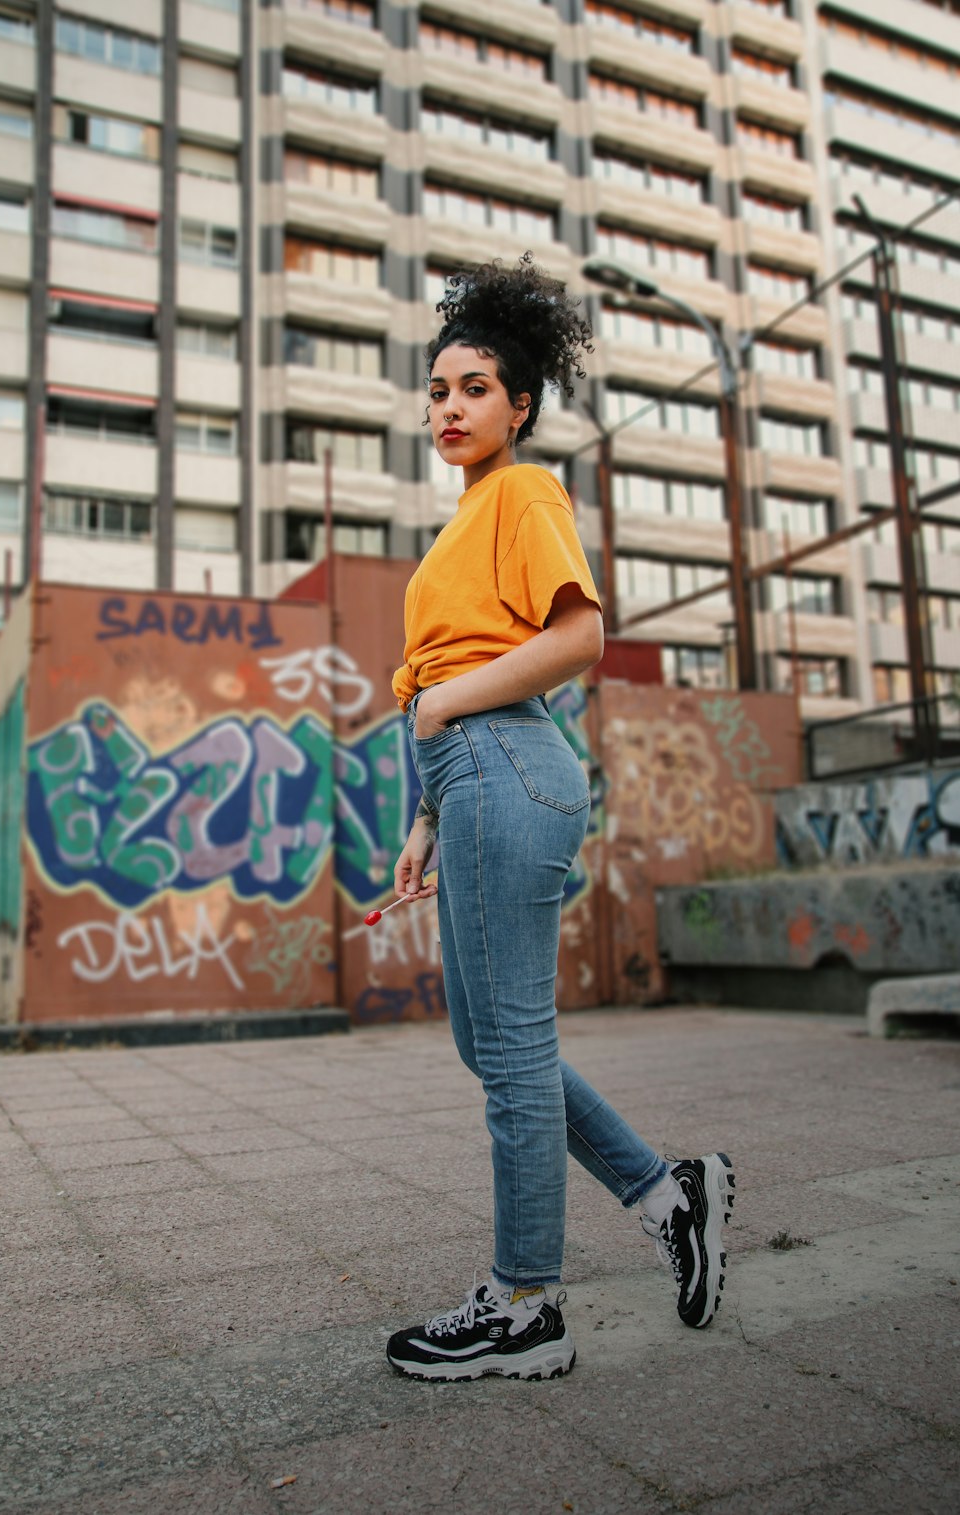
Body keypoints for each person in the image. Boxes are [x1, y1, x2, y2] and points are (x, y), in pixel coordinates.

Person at [385, 253, 734, 1383]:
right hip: (472, 782)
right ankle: (660, 1190)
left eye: (475, 388)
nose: (450, 407)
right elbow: (466, 658)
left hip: (503, 766)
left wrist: (438, 709)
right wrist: (423, 815)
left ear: (520, 404)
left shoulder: (525, 492)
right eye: (438, 389)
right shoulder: (463, 523)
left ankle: (526, 1304)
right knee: (486, 1043)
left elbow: (574, 639)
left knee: (513, 1049)